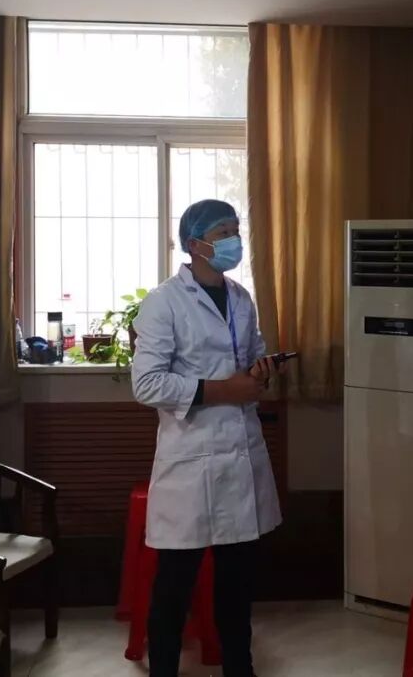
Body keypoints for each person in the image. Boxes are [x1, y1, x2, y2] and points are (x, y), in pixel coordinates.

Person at [131, 199, 283, 677]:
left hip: (239, 457)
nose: (234, 240)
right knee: (174, 589)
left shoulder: (241, 298)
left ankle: (241, 669)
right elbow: (147, 384)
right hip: (190, 461)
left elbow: (251, 354)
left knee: (237, 588)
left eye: (236, 230)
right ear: (195, 243)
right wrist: (223, 390)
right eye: (223, 233)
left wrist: (260, 373)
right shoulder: (164, 302)